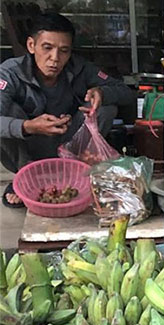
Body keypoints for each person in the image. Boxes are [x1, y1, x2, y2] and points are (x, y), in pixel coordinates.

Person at [0, 12, 135, 207]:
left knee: (104, 107)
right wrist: (27, 126)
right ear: (31, 45)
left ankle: (75, 173)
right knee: (9, 113)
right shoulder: (10, 72)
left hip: (69, 145)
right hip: (28, 150)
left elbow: (125, 92)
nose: (55, 58)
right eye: (47, 48)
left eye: (64, 50)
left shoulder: (79, 68)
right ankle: (25, 176)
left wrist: (102, 92)